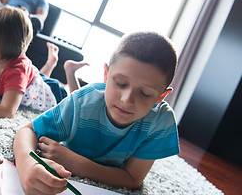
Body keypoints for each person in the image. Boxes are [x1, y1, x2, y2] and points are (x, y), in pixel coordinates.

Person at [13, 31, 180, 194]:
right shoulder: (83, 101)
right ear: (106, 75)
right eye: (121, 83)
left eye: (144, 93)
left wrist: (74, 162)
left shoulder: (161, 121)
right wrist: (27, 164)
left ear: (161, 97)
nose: (126, 100)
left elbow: (132, 179)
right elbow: (28, 131)